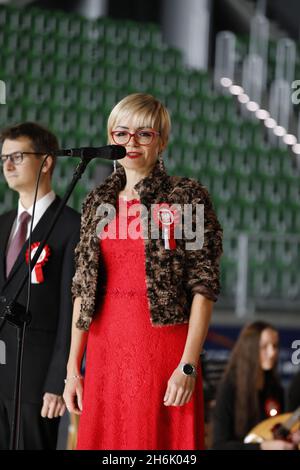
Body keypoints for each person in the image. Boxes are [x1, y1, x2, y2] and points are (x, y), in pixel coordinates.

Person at [63, 92, 223, 450]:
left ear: (162, 141)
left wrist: (188, 365)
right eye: (122, 133)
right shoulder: (97, 199)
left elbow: (204, 285)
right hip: (105, 349)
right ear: (110, 139)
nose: (131, 142)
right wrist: (73, 369)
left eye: (144, 133)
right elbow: (82, 288)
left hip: (163, 348)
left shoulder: (187, 197)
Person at [0, 122, 80, 449]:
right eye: (4, 158)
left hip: (37, 377)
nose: (7, 166)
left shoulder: (71, 225)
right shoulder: (3, 223)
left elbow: (70, 307)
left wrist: (58, 378)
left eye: (17, 156)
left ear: (46, 162)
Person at [212, 321, 300, 450]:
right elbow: (219, 445)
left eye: (275, 346)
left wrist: (291, 436)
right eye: (264, 347)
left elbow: (277, 430)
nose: (272, 353)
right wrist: (262, 446)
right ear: (250, 349)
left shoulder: (274, 387)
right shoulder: (229, 388)